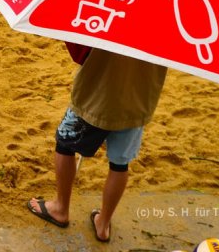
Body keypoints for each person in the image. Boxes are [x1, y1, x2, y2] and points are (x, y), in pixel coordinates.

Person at [26, 49, 167, 244]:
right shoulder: (170, 22)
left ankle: (60, 208)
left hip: (97, 96)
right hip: (138, 103)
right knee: (120, 164)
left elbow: (79, 50)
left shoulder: (113, 16)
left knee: (65, 146)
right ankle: (103, 224)